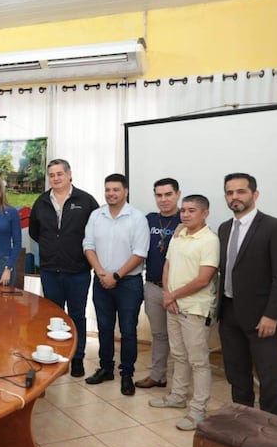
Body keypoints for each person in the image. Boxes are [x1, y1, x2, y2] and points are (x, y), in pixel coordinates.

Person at [218, 173, 277, 416]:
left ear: (255, 194)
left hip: (262, 318)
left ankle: (270, 432)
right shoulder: (224, 228)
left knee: (268, 377)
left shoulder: (276, 228)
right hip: (229, 313)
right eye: (230, 193)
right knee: (237, 375)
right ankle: (243, 422)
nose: (235, 197)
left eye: (241, 191)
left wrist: (272, 315)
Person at [148, 195, 219, 431]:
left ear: (205, 213)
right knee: (178, 355)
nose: (186, 215)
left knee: (198, 361)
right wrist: (168, 295)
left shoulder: (209, 240)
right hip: (173, 305)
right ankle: (177, 397)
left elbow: (203, 279)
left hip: (194, 309)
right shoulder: (179, 236)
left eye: (192, 211)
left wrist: (172, 295)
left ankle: (198, 409)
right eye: (184, 211)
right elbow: (167, 265)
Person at [29, 159, 98, 377]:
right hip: (50, 270)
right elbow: (34, 232)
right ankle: (57, 358)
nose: (56, 178)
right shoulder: (41, 201)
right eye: (52, 175)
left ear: (69, 175)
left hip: (78, 270)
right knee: (54, 319)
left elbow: (95, 233)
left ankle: (77, 358)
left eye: (60, 174)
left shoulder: (86, 201)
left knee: (77, 316)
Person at [83, 173, 149, 396]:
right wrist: (102, 273)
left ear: (126, 191)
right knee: (104, 327)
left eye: (116, 190)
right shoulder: (96, 215)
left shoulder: (137, 218)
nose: (111, 193)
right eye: (108, 189)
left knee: (128, 330)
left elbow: (140, 253)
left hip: (128, 283)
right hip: (101, 280)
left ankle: (127, 374)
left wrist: (116, 276)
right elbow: (88, 245)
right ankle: (106, 368)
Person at [135, 178, 182, 389]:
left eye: (168, 194)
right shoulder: (149, 220)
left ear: (178, 194)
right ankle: (158, 375)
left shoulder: (187, 218)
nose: (163, 199)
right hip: (153, 286)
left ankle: (182, 385)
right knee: (159, 334)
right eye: (159, 195)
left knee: (181, 340)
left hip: (179, 290)